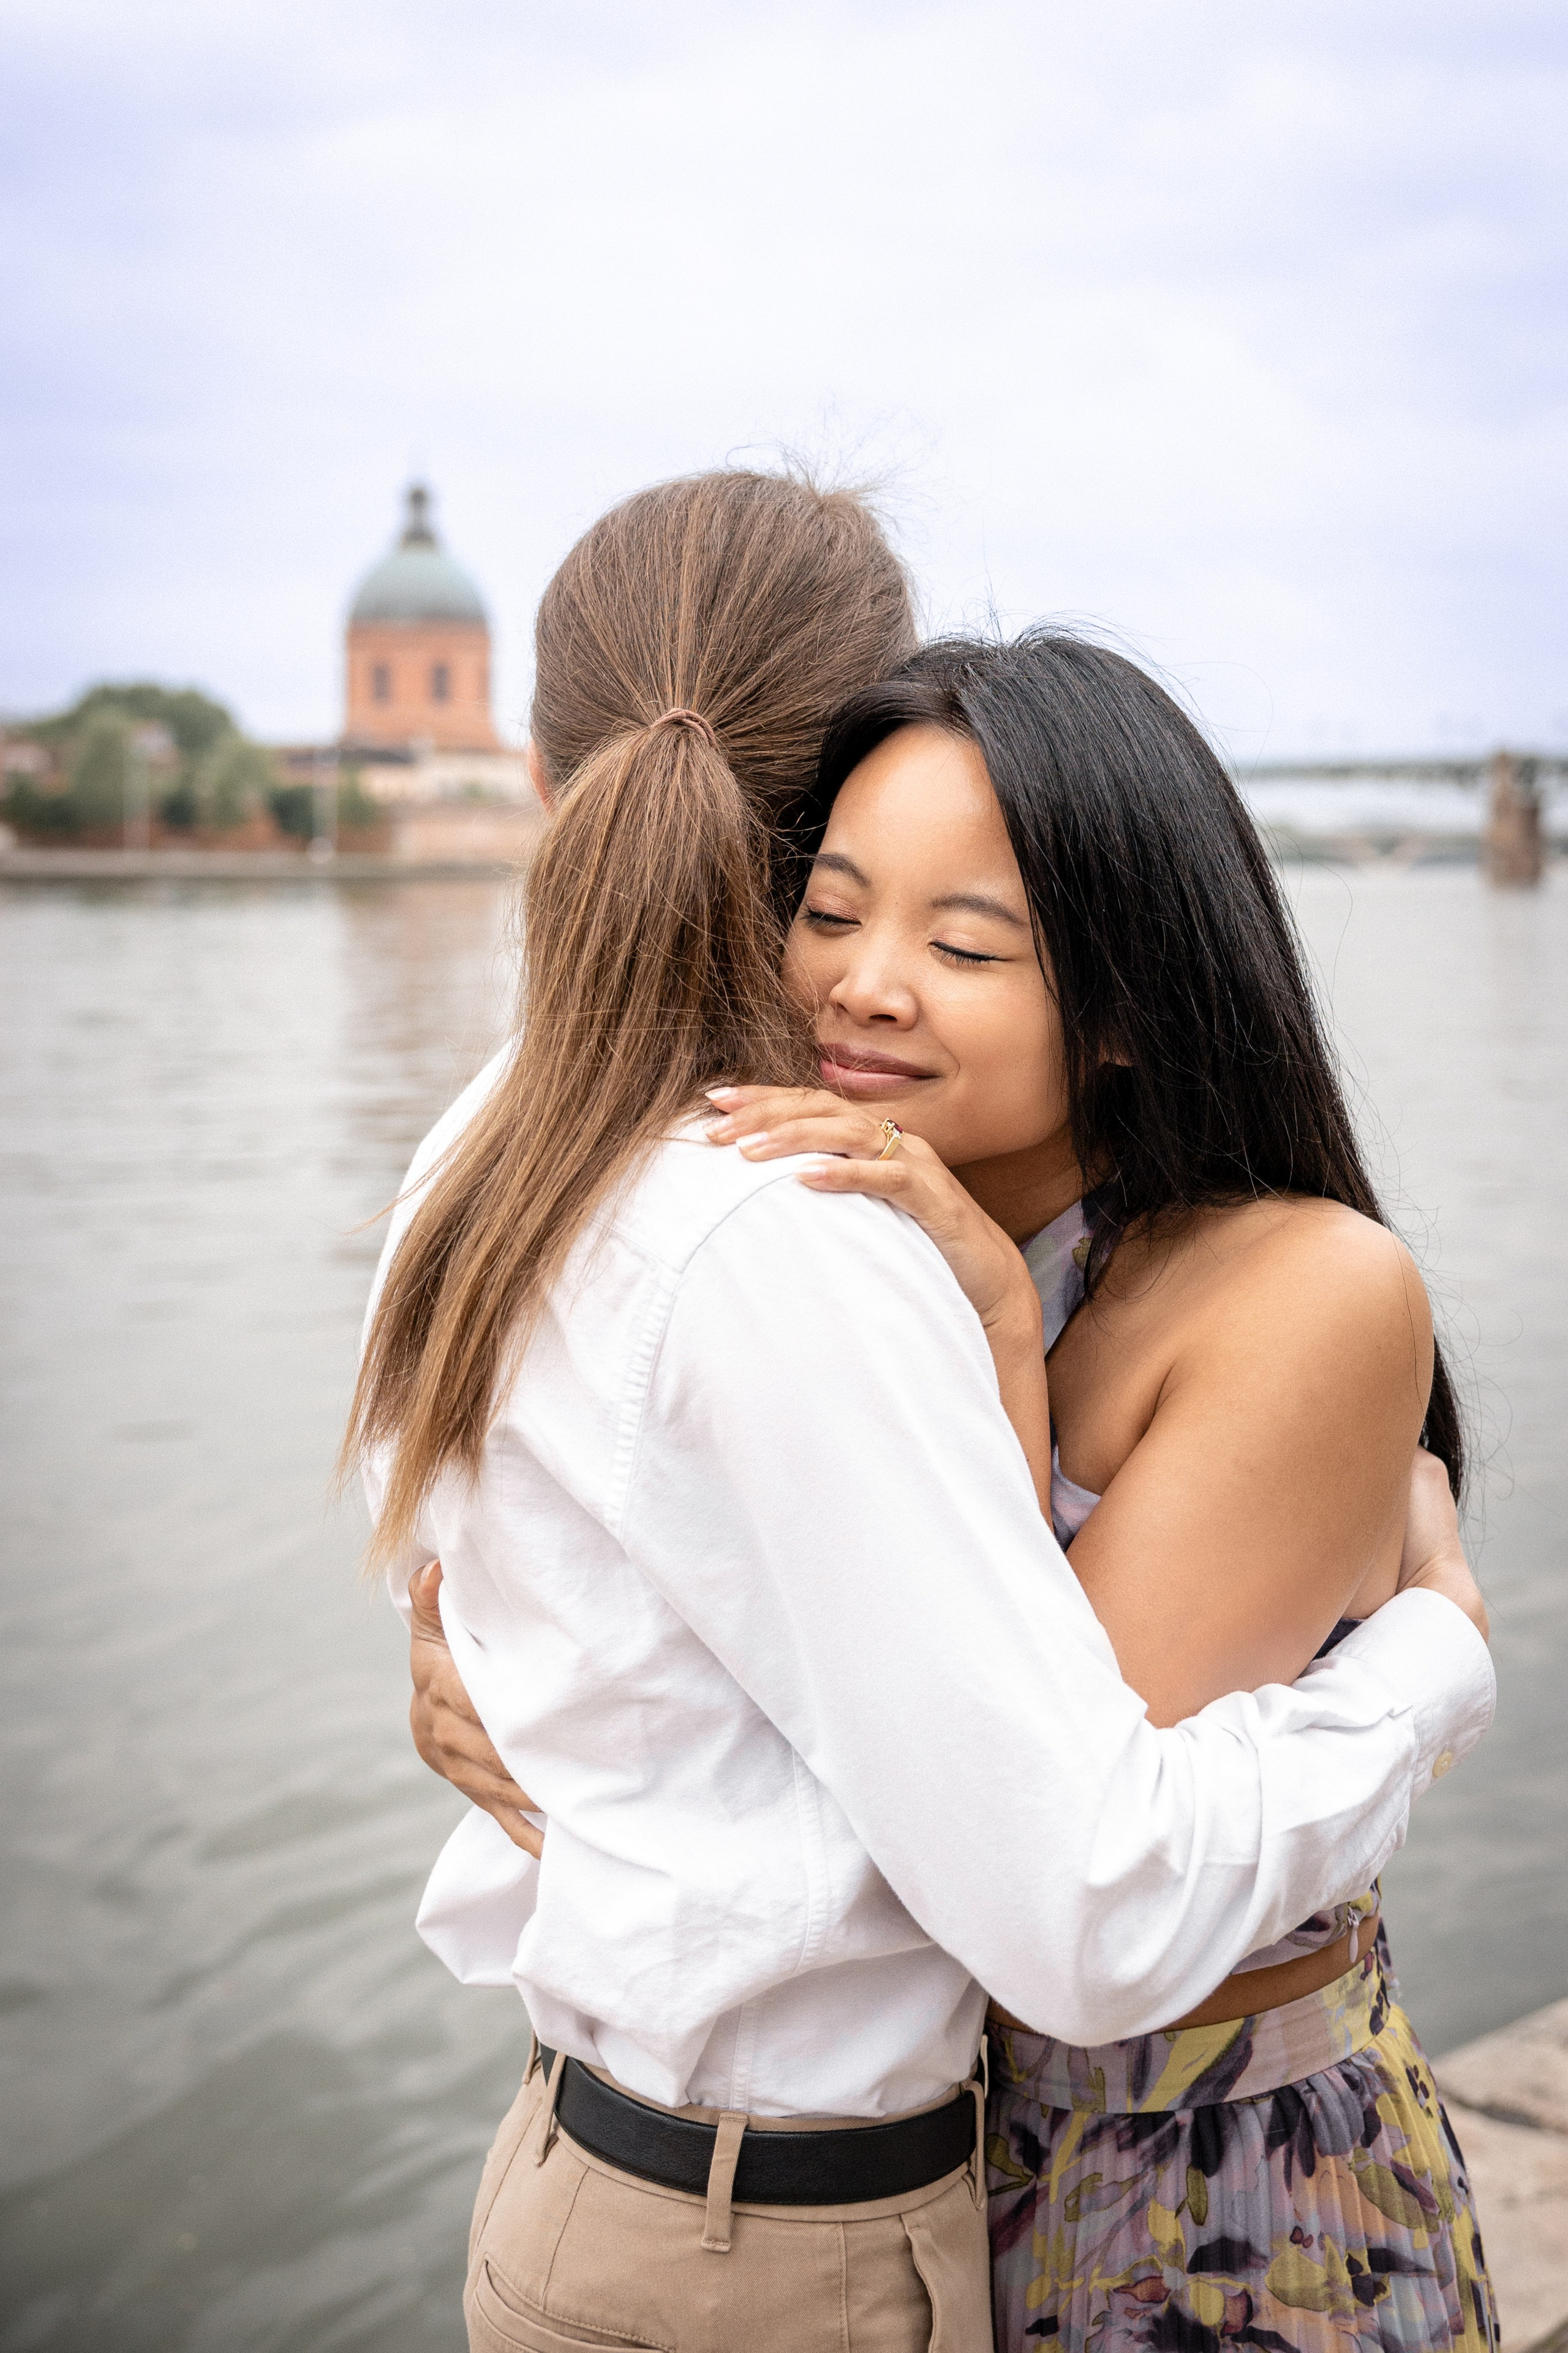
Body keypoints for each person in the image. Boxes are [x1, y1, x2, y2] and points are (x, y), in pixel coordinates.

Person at [350, 477, 1493, 2353]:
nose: (868, 986)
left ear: (1128, 997)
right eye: (829, 908)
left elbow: (1053, 1860)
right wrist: (523, 1672)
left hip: (1198, 2189)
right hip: (930, 2175)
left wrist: (1440, 1652)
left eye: (972, 946)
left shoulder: (1287, 1287)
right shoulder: (860, 1235)